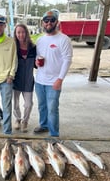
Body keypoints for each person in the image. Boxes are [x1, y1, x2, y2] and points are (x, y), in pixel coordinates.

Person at [33, 9, 73, 137]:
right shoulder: (40, 40)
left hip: (54, 82)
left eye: (52, 20)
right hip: (39, 80)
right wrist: (36, 63)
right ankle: (44, 125)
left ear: (57, 22)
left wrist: (60, 79)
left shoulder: (64, 39)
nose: (48, 23)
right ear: (42, 23)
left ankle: (54, 134)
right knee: (42, 106)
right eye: (46, 20)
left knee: (52, 109)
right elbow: (37, 57)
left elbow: (67, 60)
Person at [13, 24, 37, 133]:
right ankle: (17, 119)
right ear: (15, 34)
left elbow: (37, 64)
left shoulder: (33, 48)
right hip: (15, 80)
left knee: (28, 104)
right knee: (15, 103)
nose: (21, 34)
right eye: (18, 32)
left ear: (26, 33)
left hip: (28, 80)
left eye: (23, 32)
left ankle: (25, 121)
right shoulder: (13, 47)